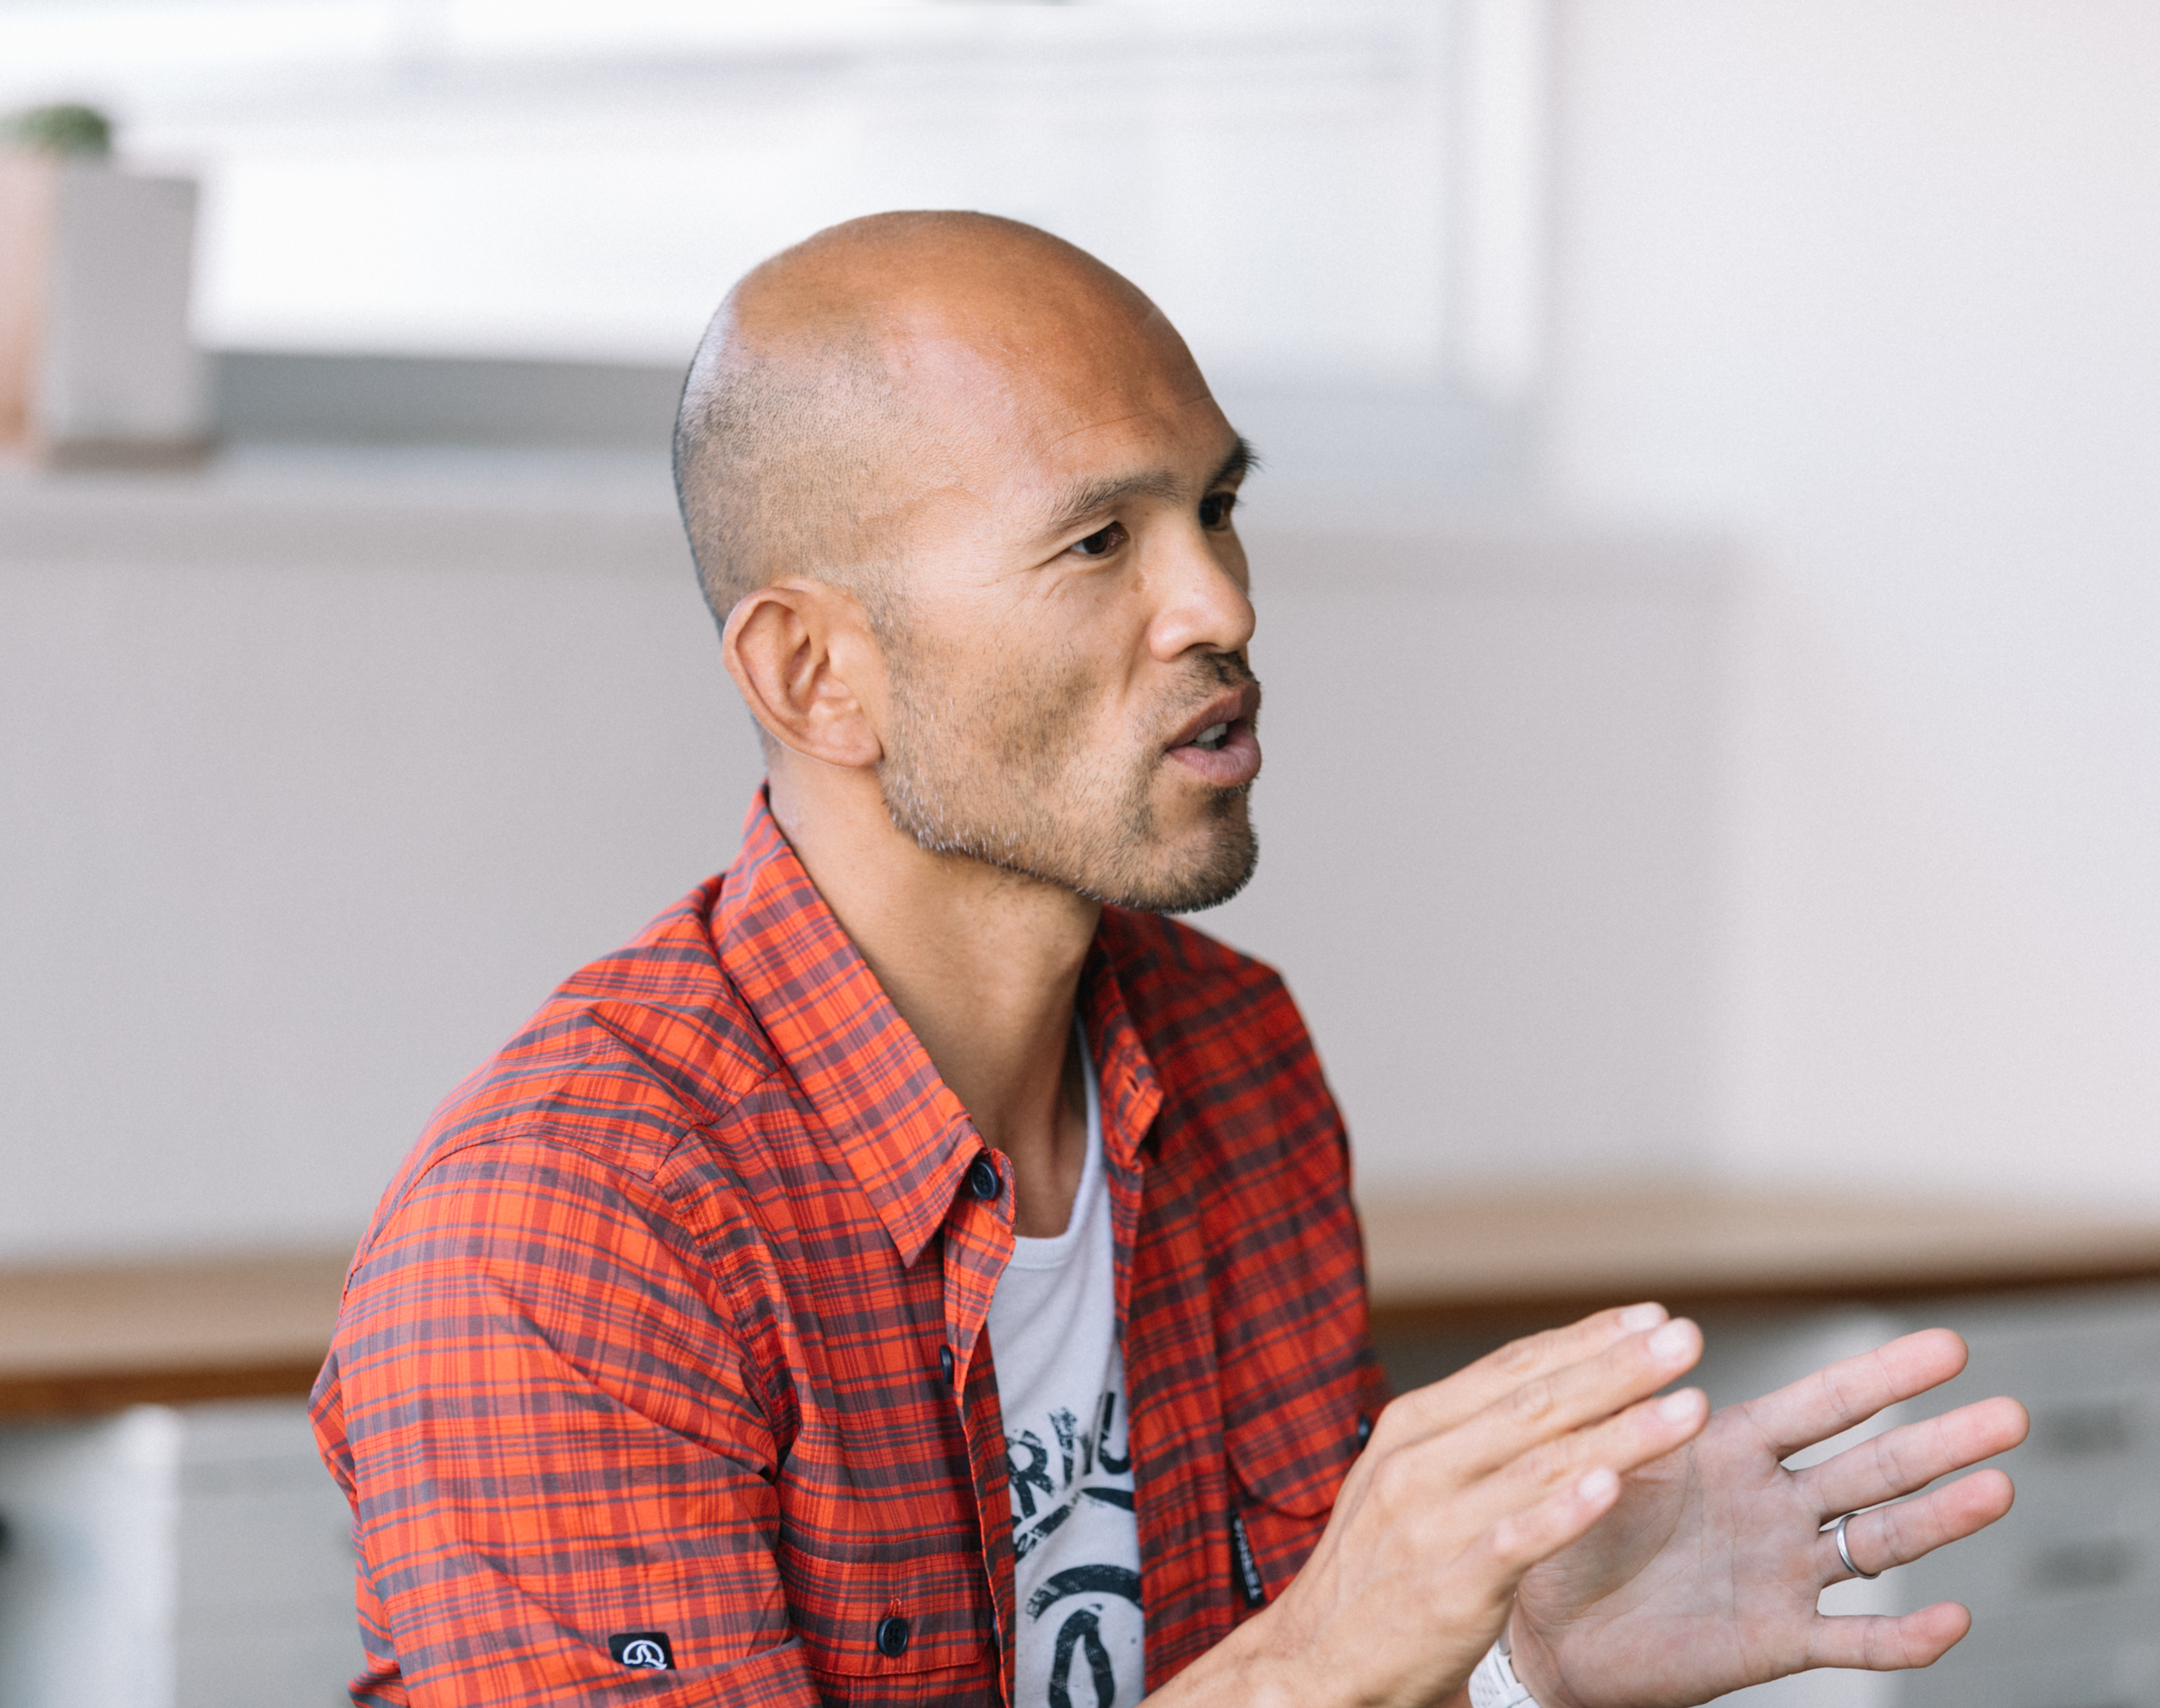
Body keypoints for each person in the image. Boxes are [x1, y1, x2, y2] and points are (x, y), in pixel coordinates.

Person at [311, 211, 2029, 1708]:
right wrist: (1327, 1651)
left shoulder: (1233, 1058)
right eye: (1098, 541)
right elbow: (1310, 1673)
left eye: (1214, 507)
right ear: (817, 674)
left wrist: (1525, 1670)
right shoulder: (562, 1243)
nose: (1221, 605)